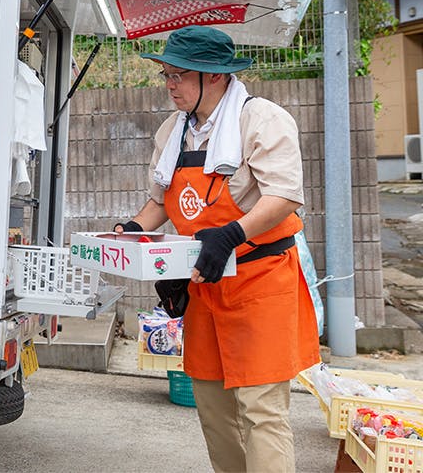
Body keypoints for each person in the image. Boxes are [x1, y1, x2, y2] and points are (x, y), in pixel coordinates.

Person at [115, 25, 319, 473]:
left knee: (261, 409)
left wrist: (231, 234)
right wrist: (131, 230)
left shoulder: (260, 119)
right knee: (212, 406)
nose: (169, 85)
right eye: (166, 74)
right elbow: (159, 200)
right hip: (205, 285)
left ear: (216, 76)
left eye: (179, 75)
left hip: (260, 281)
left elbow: (283, 195)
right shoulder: (173, 130)